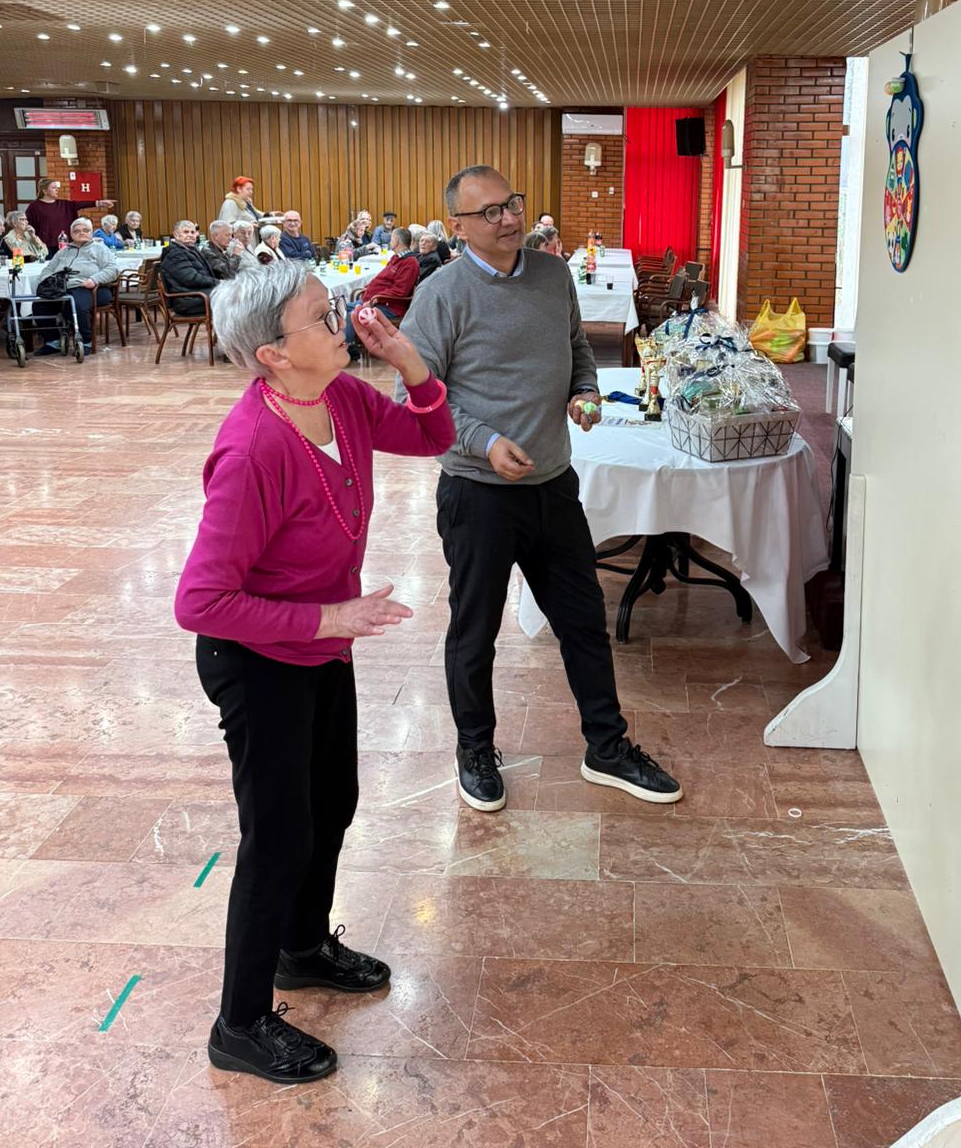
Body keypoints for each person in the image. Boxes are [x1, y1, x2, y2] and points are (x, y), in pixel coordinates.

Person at [175, 262, 454, 1084]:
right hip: (255, 658)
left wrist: (407, 361)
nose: (343, 324)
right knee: (278, 836)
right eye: (322, 317)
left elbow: (431, 437)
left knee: (332, 802)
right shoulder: (254, 448)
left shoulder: (342, 399)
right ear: (273, 353)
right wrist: (333, 617)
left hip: (321, 645)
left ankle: (301, 948)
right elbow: (201, 601)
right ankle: (240, 1023)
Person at [400, 165, 682, 813]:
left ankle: (606, 747)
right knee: (475, 632)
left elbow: (576, 346)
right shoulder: (441, 294)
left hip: (553, 485)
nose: (508, 218)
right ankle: (475, 749)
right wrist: (484, 442)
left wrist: (584, 390)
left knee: (583, 623)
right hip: (478, 494)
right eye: (489, 211)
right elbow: (415, 398)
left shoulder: (554, 274)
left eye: (512, 203)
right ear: (458, 226)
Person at [30, 217, 118, 352]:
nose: (81, 233)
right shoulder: (63, 251)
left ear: (91, 232)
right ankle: (52, 342)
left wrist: (94, 279)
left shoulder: (100, 248)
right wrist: (50, 281)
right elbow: (48, 269)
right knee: (40, 305)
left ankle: (86, 342)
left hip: (91, 287)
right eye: (77, 231)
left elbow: (113, 269)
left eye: (85, 230)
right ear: (71, 234)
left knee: (77, 304)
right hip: (63, 288)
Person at [344, 229, 419, 360]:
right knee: (343, 308)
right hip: (376, 301)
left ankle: (348, 349)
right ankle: (341, 344)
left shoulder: (410, 262)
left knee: (353, 314)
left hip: (390, 306)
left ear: (397, 241)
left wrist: (375, 299)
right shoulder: (396, 258)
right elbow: (382, 278)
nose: (390, 241)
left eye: (392, 239)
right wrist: (369, 290)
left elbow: (400, 291)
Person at [26, 177, 115, 255]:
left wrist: (100, 203)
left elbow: (81, 204)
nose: (57, 190)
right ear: (44, 191)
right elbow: (29, 226)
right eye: (53, 188)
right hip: (46, 246)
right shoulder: (34, 207)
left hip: (66, 244)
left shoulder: (64, 204)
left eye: (57, 187)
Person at [161, 219, 222, 314]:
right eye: (186, 232)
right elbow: (191, 279)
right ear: (176, 234)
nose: (190, 235)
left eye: (192, 232)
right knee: (232, 297)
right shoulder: (175, 254)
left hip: (198, 294)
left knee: (235, 293)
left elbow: (207, 274)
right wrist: (219, 282)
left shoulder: (191, 249)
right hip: (187, 299)